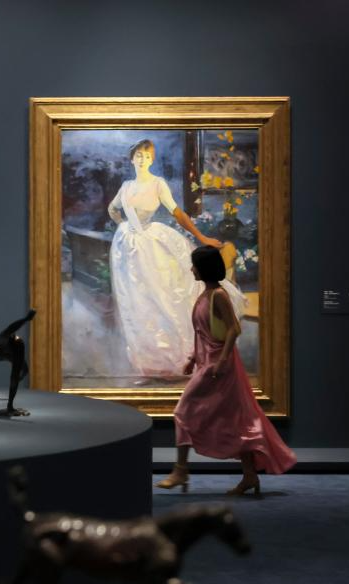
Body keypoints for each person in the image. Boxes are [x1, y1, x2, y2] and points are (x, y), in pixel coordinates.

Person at [156, 246, 296, 495]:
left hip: (217, 367)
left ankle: (180, 470)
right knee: (234, 417)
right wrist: (192, 358)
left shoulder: (218, 295)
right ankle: (250, 476)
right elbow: (203, 332)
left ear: (204, 268)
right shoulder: (205, 294)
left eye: (194, 265)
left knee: (183, 411)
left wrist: (221, 361)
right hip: (208, 363)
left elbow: (234, 328)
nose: (191, 269)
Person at [107, 139, 222, 378]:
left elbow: (177, 212)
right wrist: (124, 227)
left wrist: (202, 237)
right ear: (132, 158)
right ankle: (147, 364)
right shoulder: (126, 186)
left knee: (161, 298)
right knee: (136, 302)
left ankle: (174, 360)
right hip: (128, 247)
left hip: (151, 246)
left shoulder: (158, 184)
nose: (143, 160)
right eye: (139, 155)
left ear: (152, 160)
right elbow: (112, 209)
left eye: (147, 156)